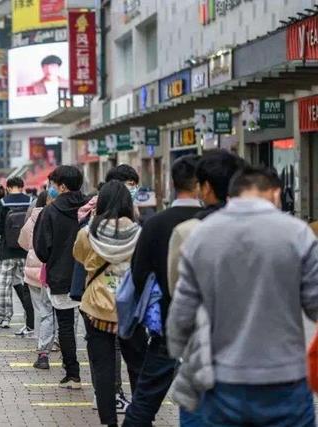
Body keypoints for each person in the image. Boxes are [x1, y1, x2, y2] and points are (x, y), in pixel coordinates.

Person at [168, 166, 318, 426]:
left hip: (217, 383)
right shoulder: (298, 233)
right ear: (275, 193)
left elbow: (180, 317)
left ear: (231, 195)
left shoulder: (200, 235)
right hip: (284, 382)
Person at [166, 150, 245, 426]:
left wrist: (176, 346)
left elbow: (179, 296)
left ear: (206, 187)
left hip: (207, 358)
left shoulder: (189, 232)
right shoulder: (285, 232)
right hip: (270, 371)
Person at [122, 155, 201, 425]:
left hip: (165, 325)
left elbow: (138, 272)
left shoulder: (155, 223)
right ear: (202, 185)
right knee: (200, 398)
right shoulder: (213, 221)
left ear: (171, 183)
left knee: (145, 400)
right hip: (209, 329)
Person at [73, 181, 148, 427]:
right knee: (136, 364)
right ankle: (139, 417)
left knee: (103, 367)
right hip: (131, 306)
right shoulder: (139, 232)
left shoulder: (88, 232)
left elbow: (80, 257)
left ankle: (109, 421)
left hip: (96, 306)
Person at [33, 165, 87, 389]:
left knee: (65, 326)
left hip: (61, 276)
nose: (51, 189)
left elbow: (41, 249)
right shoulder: (91, 206)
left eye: (53, 185)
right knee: (94, 326)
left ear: (62, 186)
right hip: (89, 276)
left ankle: (72, 374)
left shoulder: (50, 212)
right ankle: (103, 373)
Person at [0, 177, 35, 332]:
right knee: (28, 284)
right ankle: (30, 319)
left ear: (8, 188)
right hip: (26, 250)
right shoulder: (31, 201)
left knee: (4, 285)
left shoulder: (1, 204)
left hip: (7, 250)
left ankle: (5, 317)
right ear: (22, 187)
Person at [18, 190, 54, 368]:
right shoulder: (56, 216)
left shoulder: (32, 218)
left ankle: (41, 347)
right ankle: (50, 342)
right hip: (50, 269)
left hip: (33, 269)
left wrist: (32, 250)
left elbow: (22, 242)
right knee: (51, 310)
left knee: (40, 309)